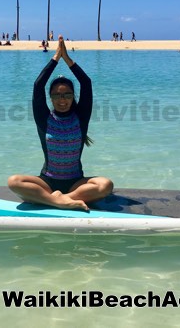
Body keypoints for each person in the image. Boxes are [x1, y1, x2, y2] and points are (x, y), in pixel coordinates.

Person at [8, 35, 113, 211]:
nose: (62, 100)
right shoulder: (44, 118)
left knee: (106, 185)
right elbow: (38, 85)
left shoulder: (81, 117)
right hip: (47, 181)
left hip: (75, 183)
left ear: (74, 96)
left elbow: (86, 83)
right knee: (14, 181)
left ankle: (57, 199)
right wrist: (56, 58)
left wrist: (68, 59)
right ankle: (60, 201)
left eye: (67, 95)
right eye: (57, 95)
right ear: (50, 97)